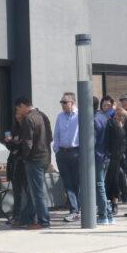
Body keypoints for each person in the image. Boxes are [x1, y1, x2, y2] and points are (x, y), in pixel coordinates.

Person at [13, 98, 53, 229]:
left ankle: (43, 221)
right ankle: (27, 218)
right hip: (45, 157)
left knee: (37, 192)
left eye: (18, 109)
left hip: (34, 159)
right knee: (34, 191)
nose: (18, 112)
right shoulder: (43, 116)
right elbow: (50, 137)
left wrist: (25, 157)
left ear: (24, 105)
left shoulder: (28, 119)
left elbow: (28, 143)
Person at [52, 92, 82, 222]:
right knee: (67, 183)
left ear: (72, 103)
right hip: (62, 153)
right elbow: (56, 135)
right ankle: (74, 210)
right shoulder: (60, 117)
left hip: (76, 152)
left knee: (77, 182)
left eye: (65, 102)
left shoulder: (80, 115)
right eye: (61, 102)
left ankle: (77, 209)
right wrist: (57, 150)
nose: (62, 105)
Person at [92, 97, 115, 225]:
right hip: (106, 155)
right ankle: (109, 214)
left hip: (97, 156)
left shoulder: (93, 119)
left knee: (99, 185)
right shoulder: (104, 117)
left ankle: (103, 215)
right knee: (101, 185)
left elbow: (92, 141)